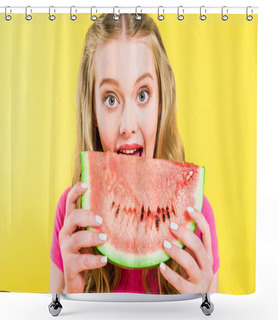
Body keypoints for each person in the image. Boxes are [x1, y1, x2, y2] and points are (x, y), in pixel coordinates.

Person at [49, 13, 220, 294]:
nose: (128, 127)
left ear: (161, 101)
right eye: (111, 99)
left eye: (143, 94)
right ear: (92, 110)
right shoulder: (71, 216)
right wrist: (72, 293)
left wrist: (201, 303)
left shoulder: (197, 218)